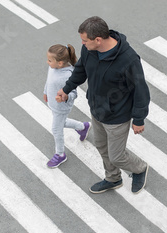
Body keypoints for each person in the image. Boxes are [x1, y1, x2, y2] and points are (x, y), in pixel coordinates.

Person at [56, 16, 150, 194]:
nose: (82, 44)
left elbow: (140, 90)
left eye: (85, 40)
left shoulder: (128, 60)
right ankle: (113, 178)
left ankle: (140, 168)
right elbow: (80, 71)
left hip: (117, 116)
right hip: (97, 110)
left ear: (98, 40)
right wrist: (67, 89)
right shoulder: (90, 51)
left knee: (117, 156)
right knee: (102, 146)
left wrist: (139, 119)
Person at [44, 43, 91, 168]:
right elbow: (48, 80)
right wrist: (45, 92)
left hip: (62, 107)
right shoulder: (53, 68)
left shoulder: (68, 75)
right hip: (53, 104)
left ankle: (60, 154)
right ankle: (83, 127)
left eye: (49, 60)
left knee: (56, 129)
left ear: (60, 63)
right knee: (61, 123)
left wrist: (65, 96)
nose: (47, 62)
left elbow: (74, 93)